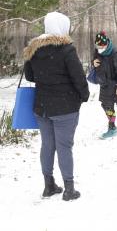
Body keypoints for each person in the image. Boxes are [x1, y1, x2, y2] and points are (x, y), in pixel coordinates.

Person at [23, 11, 89, 201]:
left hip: (42, 107)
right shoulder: (67, 49)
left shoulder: (33, 49)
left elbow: (30, 76)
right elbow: (78, 77)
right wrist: (84, 95)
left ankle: (48, 185)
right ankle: (69, 189)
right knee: (64, 147)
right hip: (65, 107)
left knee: (47, 145)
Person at [92, 31, 117, 139]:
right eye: (97, 46)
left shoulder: (115, 54)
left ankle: (115, 127)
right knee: (106, 106)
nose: (99, 48)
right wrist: (94, 62)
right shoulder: (98, 51)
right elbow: (95, 59)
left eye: (101, 46)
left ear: (106, 44)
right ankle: (112, 127)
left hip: (114, 85)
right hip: (104, 85)